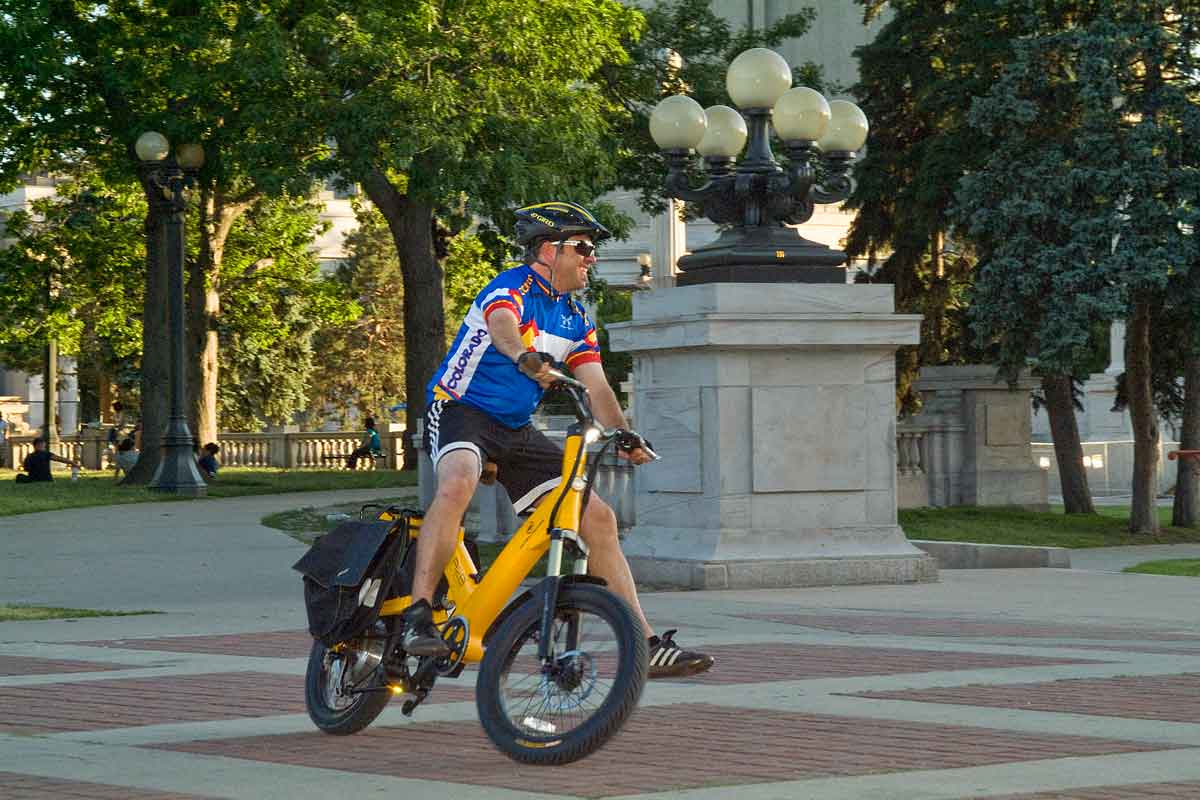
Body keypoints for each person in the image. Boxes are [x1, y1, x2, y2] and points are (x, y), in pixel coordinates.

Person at [402, 201, 713, 679]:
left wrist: (623, 432)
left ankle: (645, 643)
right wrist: (525, 358)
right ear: (549, 250)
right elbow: (504, 329)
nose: (592, 258)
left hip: (514, 428)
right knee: (458, 481)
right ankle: (417, 615)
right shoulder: (511, 288)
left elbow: (597, 385)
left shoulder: (573, 317)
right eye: (583, 247)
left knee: (598, 517)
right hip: (461, 409)